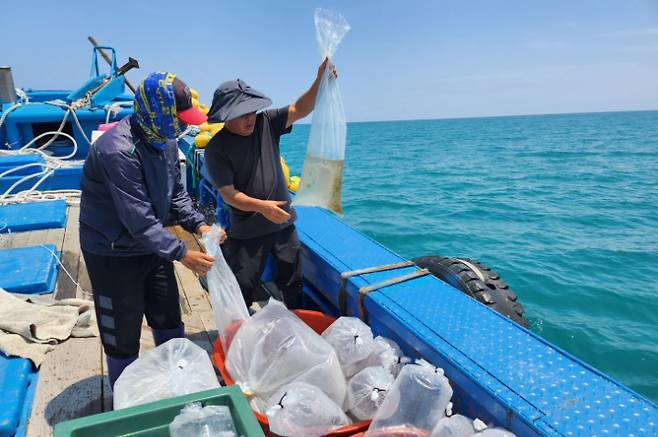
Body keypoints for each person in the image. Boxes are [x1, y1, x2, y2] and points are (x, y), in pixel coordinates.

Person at [79, 72, 219, 388]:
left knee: (167, 312)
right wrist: (184, 253)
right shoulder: (116, 150)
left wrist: (198, 222)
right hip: (112, 252)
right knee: (122, 331)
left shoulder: (167, 142)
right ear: (157, 116)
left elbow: (176, 193)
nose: (185, 127)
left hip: (151, 244)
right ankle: (124, 394)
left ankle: (175, 382)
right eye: (179, 120)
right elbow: (138, 220)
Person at [204, 58, 337, 310]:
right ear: (226, 116)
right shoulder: (216, 148)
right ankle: (239, 336)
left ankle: (297, 323)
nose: (250, 119)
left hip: (284, 224)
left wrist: (321, 79)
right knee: (243, 286)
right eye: (241, 114)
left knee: (293, 280)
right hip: (247, 231)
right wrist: (262, 207)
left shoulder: (266, 123)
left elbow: (302, 107)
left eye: (252, 111)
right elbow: (229, 194)